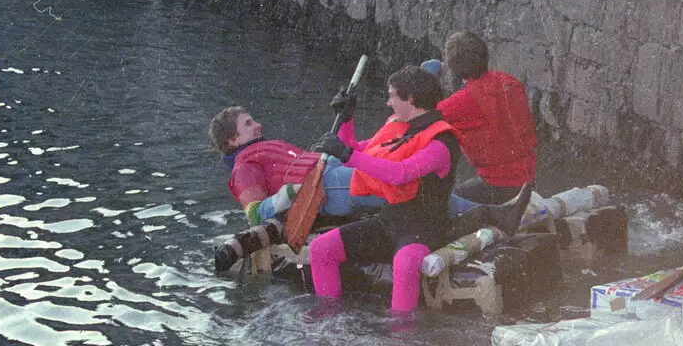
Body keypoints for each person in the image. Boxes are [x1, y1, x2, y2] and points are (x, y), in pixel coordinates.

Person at [305, 66, 525, 314]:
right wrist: (346, 119)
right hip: (388, 223)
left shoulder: (441, 143)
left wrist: (346, 154)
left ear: (410, 99)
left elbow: (399, 174)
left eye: (392, 97)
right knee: (321, 249)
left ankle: (403, 340)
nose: (388, 103)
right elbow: (356, 149)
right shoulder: (399, 128)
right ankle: (327, 317)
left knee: (405, 263)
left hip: (424, 229)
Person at [208, 106, 381, 226]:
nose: (258, 125)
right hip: (327, 185)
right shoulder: (243, 167)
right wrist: (292, 192)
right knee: (391, 183)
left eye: (253, 121)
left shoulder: (265, 148)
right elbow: (256, 216)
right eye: (248, 123)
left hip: (333, 171)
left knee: (389, 154)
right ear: (233, 140)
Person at [428, 31, 537, 208]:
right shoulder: (510, 82)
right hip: (527, 178)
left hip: (498, 185)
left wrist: (430, 77)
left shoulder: (464, 101)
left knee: (442, 205)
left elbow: (421, 115)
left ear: (454, 68)